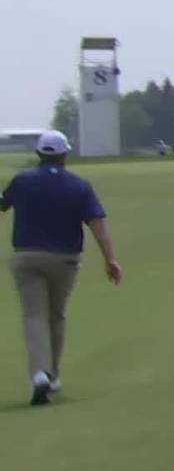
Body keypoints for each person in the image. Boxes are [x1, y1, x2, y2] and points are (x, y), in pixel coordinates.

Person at [2, 131, 123, 406]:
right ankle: (52, 375)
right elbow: (96, 223)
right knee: (56, 316)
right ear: (65, 154)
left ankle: (39, 375)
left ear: (38, 154)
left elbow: (2, 204)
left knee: (34, 316)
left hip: (26, 257)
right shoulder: (79, 185)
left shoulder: (22, 180)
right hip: (65, 261)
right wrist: (110, 259)